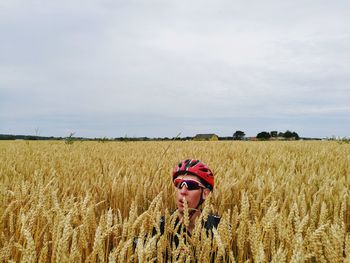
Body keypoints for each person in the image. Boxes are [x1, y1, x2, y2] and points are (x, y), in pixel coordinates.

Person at [171, 159, 220, 234]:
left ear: (205, 194)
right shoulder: (158, 227)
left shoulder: (220, 228)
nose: (183, 191)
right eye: (178, 184)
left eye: (191, 185)